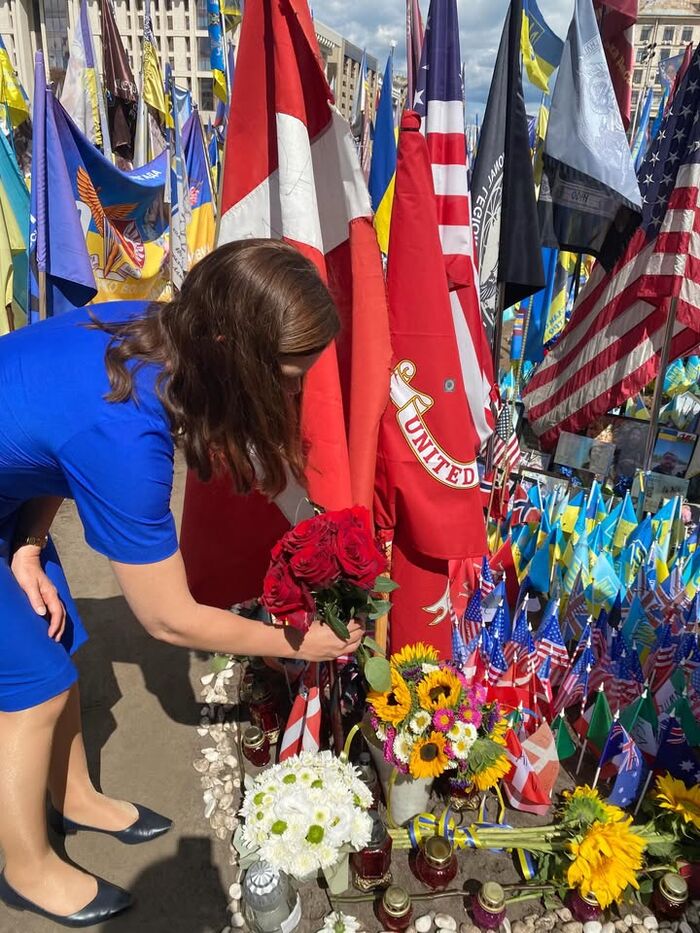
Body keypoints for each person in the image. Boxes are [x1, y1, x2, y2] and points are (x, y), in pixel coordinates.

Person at [0, 239, 364, 927]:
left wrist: (29, 541)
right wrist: (296, 642)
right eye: (289, 377)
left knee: (56, 641)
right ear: (236, 352)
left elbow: (53, 431)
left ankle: (73, 797)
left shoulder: (160, 329)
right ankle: (25, 868)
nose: (294, 393)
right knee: (33, 689)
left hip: (9, 500)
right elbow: (167, 618)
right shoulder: (129, 440)